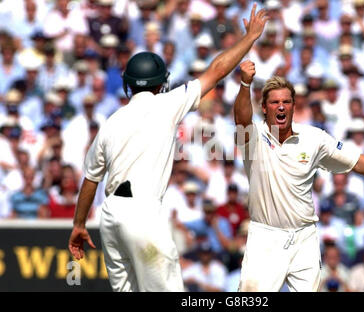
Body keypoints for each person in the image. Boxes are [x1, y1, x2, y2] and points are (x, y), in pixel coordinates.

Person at [68, 4, 269, 292]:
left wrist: (78, 225)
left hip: (110, 218)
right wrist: (249, 38)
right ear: (162, 83)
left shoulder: (111, 122)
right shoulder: (167, 103)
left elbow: (90, 180)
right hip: (142, 214)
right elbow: (218, 69)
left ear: (128, 87)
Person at [232, 61, 364, 292]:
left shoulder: (313, 138)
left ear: (294, 106)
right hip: (266, 236)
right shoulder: (255, 136)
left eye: (286, 102)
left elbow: (356, 160)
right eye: (275, 102)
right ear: (265, 108)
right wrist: (245, 83)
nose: (281, 107)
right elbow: (241, 120)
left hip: (304, 236)